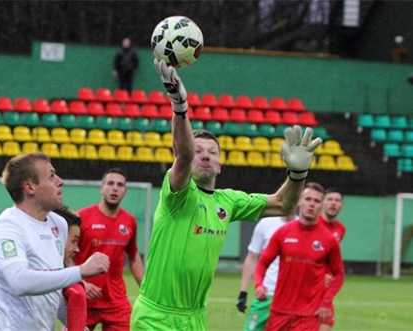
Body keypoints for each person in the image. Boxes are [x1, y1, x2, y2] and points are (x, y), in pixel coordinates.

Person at [130, 59, 323, 331]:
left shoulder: (228, 201)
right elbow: (183, 155)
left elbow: (283, 203)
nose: (205, 155)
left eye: (212, 152)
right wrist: (179, 105)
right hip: (155, 315)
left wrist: (297, 174)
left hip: (195, 317)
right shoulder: (178, 194)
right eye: (199, 151)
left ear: (220, 165)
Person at [0, 153, 110, 330]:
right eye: (51, 176)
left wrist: (81, 328)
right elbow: (19, 282)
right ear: (30, 187)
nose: (60, 181)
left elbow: (52, 293)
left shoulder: (58, 224)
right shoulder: (8, 228)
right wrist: (81, 271)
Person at [254, 182, 345, 331]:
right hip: (279, 311)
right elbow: (262, 262)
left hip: (308, 316)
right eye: (308, 199)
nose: (311, 204)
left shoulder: (328, 240)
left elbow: (339, 273)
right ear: (300, 201)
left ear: (321, 205)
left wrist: (326, 301)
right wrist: (259, 284)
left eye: (316, 201)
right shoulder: (282, 233)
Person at [74, 167, 144, 331]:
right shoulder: (81, 218)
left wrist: (145, 287)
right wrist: (80, 283)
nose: (115, 188)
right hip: (84, 298)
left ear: (124, 191)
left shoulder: (129, 221)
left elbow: (133, 256)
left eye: (120, 185)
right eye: (110, 183)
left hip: (116, 302)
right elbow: (66, 256)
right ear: (101, 188)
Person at [236, 214, 296, 331]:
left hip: (291, 298)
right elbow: (252, 257)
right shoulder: (266, 224)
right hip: (266, 294)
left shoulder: (304, 227)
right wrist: (243, 292)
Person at [318, 187, 345, 331]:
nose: (333, 203)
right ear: (322, 203)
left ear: (342, 206)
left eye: (337, 200)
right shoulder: (311, 224)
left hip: (325, 289)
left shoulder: (340, 229)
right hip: (307, 286)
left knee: (325, 325)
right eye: (329, 199)